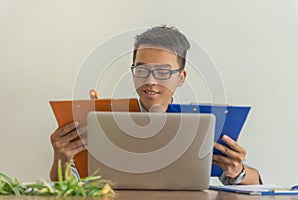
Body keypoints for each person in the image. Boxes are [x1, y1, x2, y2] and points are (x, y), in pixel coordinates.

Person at [50, 25, 262, 185]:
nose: (151, 81)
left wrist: (238, 171)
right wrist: (61, 159)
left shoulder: (202, 123)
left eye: (163, 72)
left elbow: (256, 181)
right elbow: (68, 183)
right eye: (142, 70)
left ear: (181, 78)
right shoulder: (102, 120)